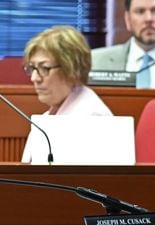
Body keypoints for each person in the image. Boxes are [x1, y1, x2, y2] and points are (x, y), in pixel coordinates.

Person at [20, 25, 113, 163]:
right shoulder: (48, 116)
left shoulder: (92, 119)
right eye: (32, 68)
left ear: (72, 70)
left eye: (44, 68)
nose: (34, 78)